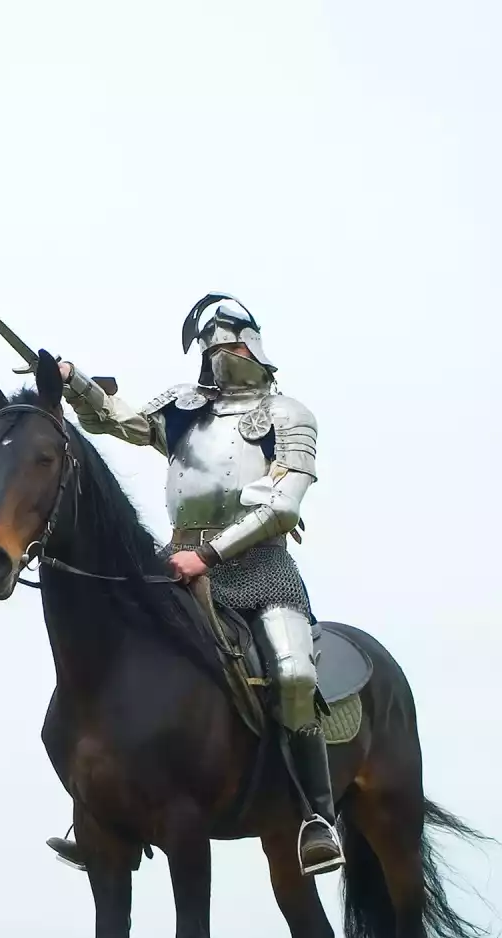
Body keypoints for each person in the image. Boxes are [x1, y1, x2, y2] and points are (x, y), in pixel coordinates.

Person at [45, 294, 344, 876]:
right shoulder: (187, 411)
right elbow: (117, 419)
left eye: (230, 341)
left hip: (258, 567)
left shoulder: (288, 415)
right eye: (212, 345)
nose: (221, 352)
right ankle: (99, 804)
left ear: (253, 345)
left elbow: (283, 507)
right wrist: (72, 379)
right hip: (176, 563)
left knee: (293, 674)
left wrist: (208, 555)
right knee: (112, 653)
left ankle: (316, 816)